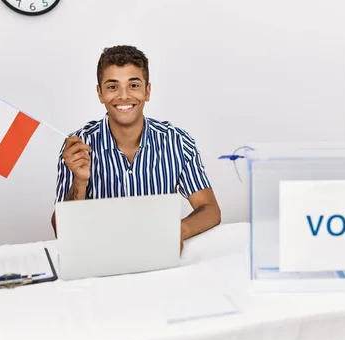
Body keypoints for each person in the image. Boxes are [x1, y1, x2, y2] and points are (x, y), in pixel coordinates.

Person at [51, 45, 221, 252]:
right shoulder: (78, 146)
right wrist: (80, 180)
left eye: (133, 85)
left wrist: (178, 230)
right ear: (100, 93)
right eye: (113, 87)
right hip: (101, 256)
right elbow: (61, 229)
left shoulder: (177, 142)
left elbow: (210, 209)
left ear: (147, 91)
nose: (124, 96)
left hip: (157, 255)